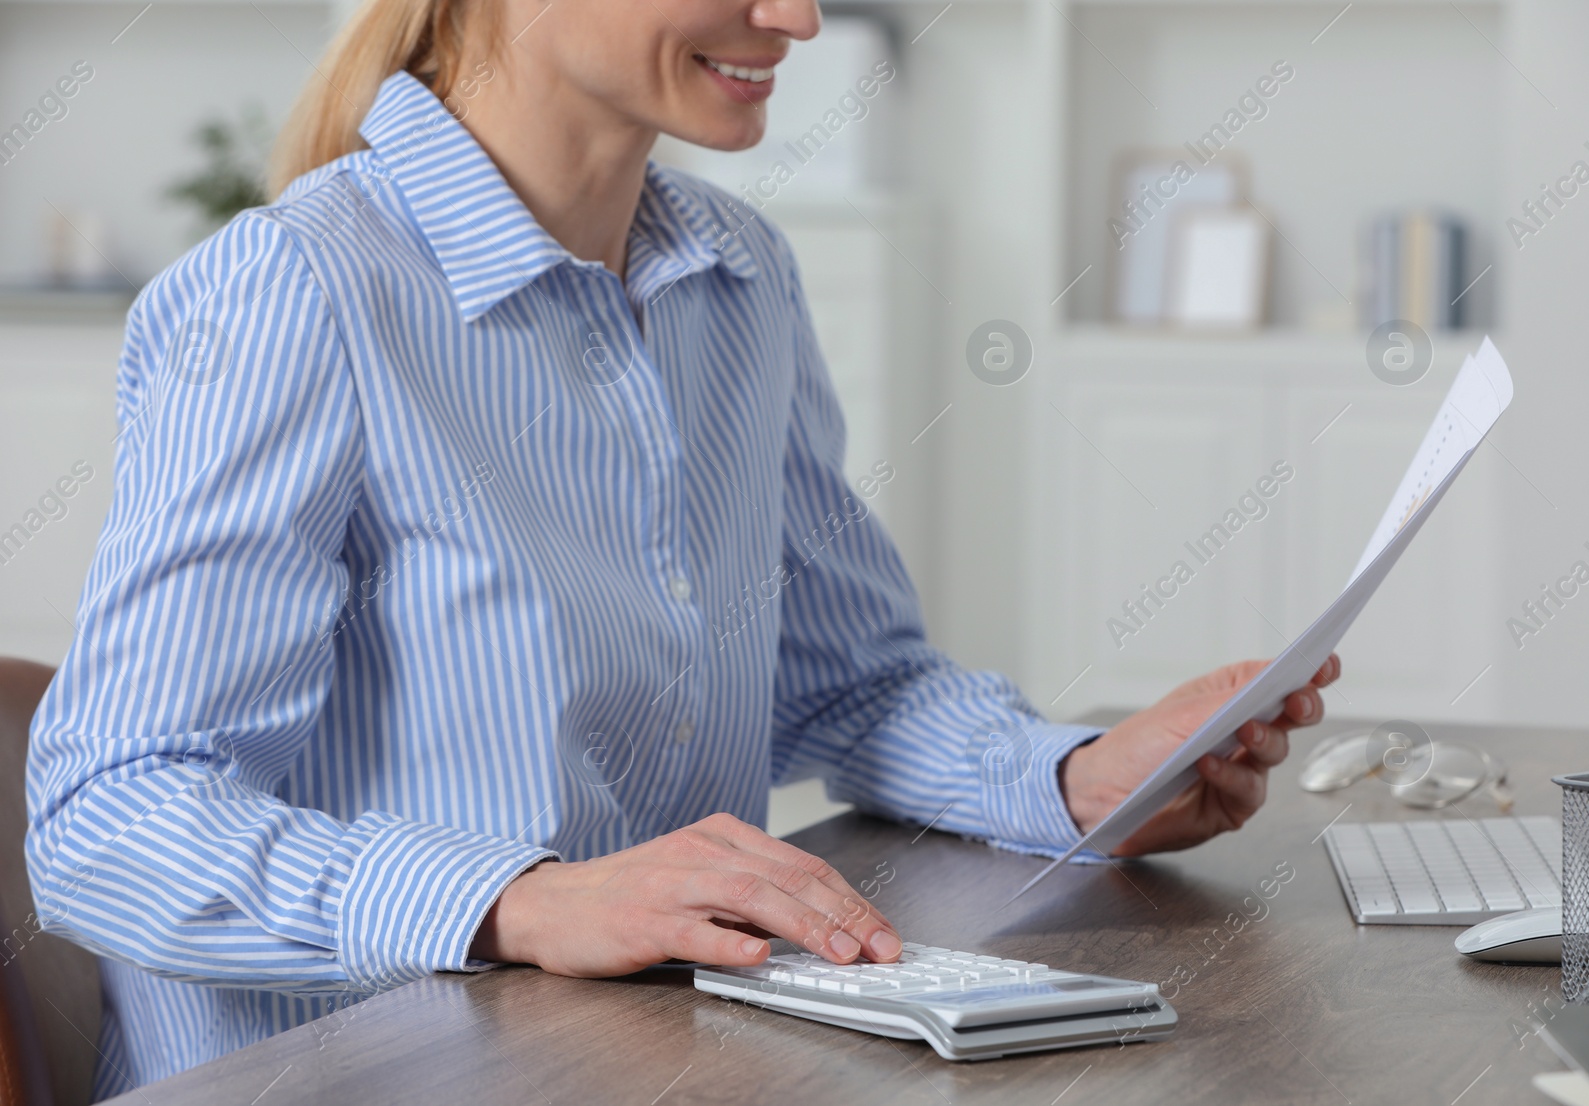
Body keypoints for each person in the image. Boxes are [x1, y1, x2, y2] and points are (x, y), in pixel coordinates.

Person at [24, 0, 1339, 1095]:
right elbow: (108, 818)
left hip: (642, 1060)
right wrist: (521, 901)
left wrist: (1080, 780)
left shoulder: (739, 276)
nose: (800, 17)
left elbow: (850, 680)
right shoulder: (295, 291)